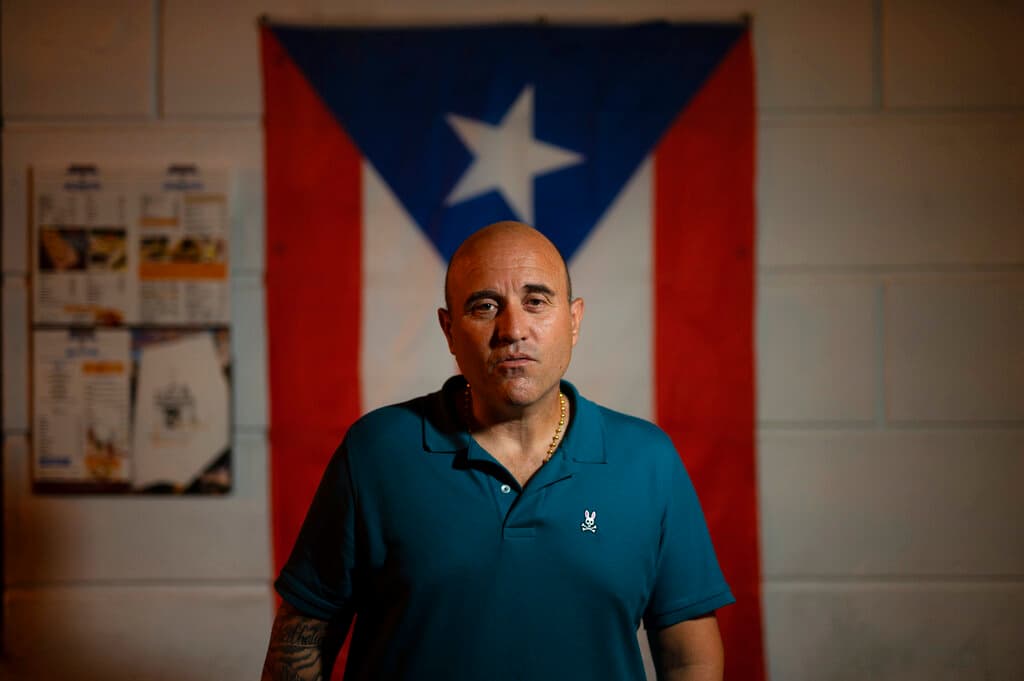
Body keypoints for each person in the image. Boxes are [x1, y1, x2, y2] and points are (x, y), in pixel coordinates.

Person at [261, 221, 734, 681]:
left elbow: (689, 659)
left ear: (573, 321)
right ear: (448, 330)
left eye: (536, 301)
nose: (513, 328)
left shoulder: (646, 460)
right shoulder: (376, 452)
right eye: (485, 307)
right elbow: (302, 641)